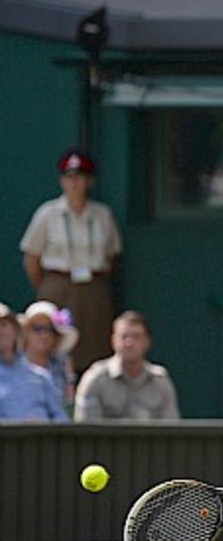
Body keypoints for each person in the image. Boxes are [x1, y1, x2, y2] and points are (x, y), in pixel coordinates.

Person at [19, 150, 123, 371]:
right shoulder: (48, 214)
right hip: (58, 283)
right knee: (53, 343)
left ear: (90, 181)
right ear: (62, 181)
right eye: (70, 177)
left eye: (81, 178)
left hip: (92, 286)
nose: (75, 184)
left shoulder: (102, 215)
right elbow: (31, 258)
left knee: (94, 344)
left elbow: (112, 255)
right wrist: (48, 285)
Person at [74, 310, 180, 420]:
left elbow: (171, 430)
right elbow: (86, 429)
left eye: (136, 337)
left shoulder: (160, 382)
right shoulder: (95, 380)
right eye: (124, 337)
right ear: (113, 341)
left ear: (147, 342)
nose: (129, 343)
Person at [0, 302, 67, 422]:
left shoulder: (41, 377)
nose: (1, 331)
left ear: (16, 330)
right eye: (38, 329)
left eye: (4, 325)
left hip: (43, 439)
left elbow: (61, 419)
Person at [19, 300, 79, 412]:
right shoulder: (13, 362)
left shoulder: (63, 362)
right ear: (25, 332)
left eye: (51, 330)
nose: (44, 335)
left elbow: (69, 401)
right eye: (38, 328)